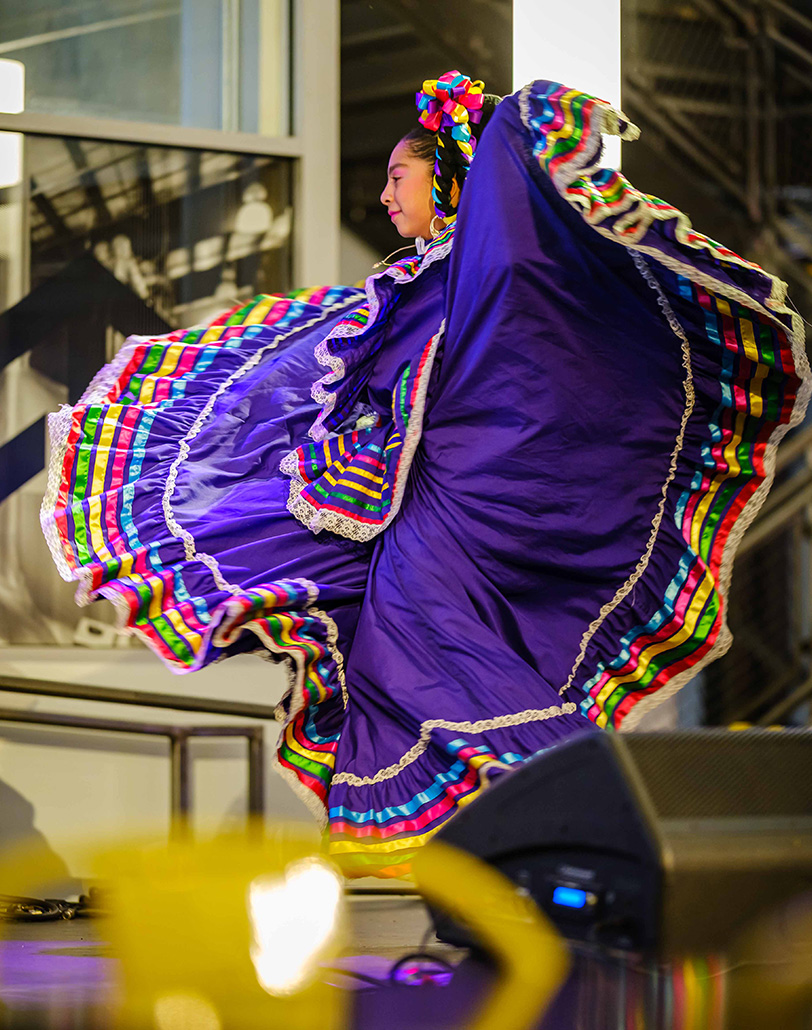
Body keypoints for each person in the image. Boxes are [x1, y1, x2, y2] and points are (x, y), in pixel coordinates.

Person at [41, 72, 809, 878]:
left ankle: (565, 837)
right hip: (420, 512)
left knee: (429, 664)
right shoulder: (416, 282)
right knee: (412, 669)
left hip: (454, 512)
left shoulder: (480, 273)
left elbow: (509, 196)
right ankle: (539, 848)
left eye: (397, 176)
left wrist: (524, 121)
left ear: (445, 179)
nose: (381, 196)